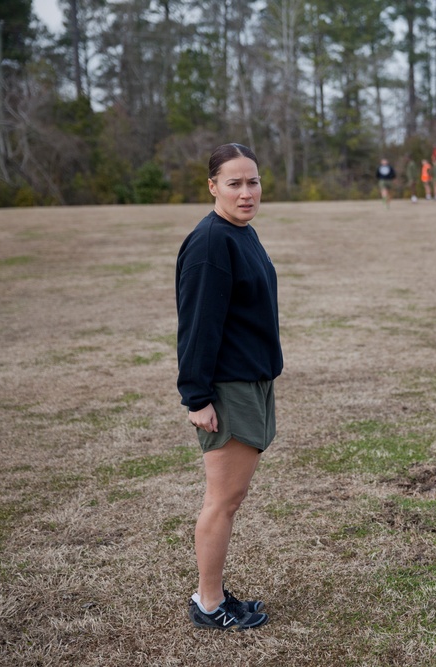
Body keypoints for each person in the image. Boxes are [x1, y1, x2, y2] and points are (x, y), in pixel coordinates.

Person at [176, 143, 281, 631]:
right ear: (213, 186)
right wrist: (197, 397)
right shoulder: (210, 243)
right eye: (234, 183)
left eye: (253, 182)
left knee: (229, 498)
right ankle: (209, 604)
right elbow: (197, 324)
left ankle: (212, 594)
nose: (246, 192)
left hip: (251, 377)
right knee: (223, 499)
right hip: (227, 385)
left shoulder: (242, 232)